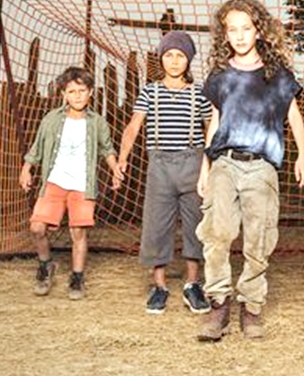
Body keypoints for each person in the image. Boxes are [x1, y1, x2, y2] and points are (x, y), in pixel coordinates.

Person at [196, 0, 304, 342]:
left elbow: (293, 115)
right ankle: (218, 303)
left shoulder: (277, 75)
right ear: (224, 35)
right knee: (217, 232)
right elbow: (216, 120)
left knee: (258, 239)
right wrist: (205, 166)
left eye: (246, 28)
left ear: (258, 30)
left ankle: (252, 306)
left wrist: (303, 156)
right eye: (232, 29)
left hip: (261, 167)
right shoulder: (221, 75)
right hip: (225, 162)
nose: (240, 35)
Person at [118, 31, 213, 315]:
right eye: (169, 55)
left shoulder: (199, 93)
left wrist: (211, 164)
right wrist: (123, 157)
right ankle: (159, 286)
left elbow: (211, 128)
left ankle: (192, 284)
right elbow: (133, 126)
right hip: (159, 165)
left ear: (189, 60)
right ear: (161, 59)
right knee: (157, 224)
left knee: (196, 223)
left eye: (180, 56)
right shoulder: (150, 91)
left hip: (192, 164)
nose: (174, 61)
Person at [19, 66, 122, 300]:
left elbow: (107, 149)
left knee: (78, 231)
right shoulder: (52, 119)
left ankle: (77, 277)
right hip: (55, 181)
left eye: (82, 91)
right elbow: (36, 148)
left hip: (82, 185)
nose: (77, 96)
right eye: (72, 91)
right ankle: (46, 265)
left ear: (91, 92)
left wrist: (115, 169)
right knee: (37, 227)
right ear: (63, 94)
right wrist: (26, 169)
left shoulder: (97, 122)